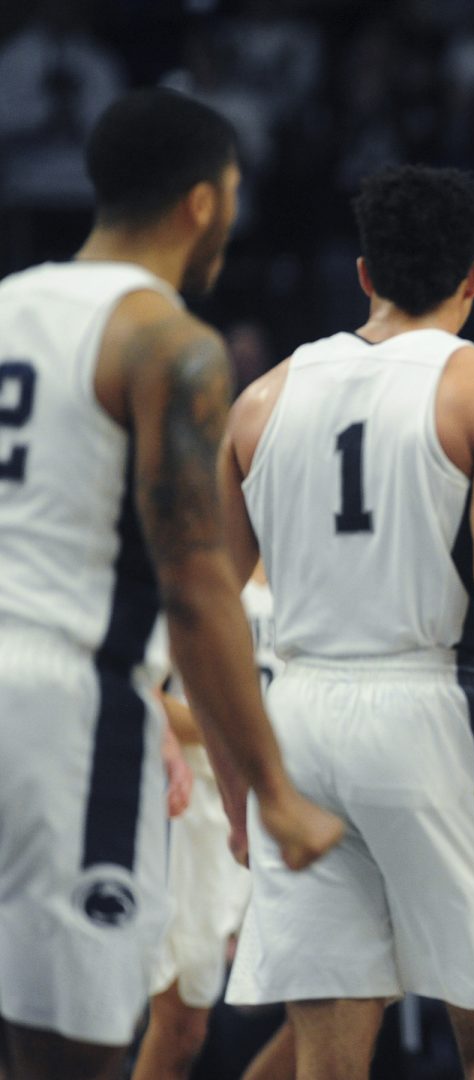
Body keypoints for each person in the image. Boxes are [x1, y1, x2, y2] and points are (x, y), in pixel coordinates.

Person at [218, 164, 474, 1080]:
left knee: (327, 1056)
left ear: (363, 274)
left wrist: (248, 793)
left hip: (297, 719)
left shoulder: (259, 401)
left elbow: (215, 624)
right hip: (432, 717)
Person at [0, 87, 341, 1080]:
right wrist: (272, 790)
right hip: (64, 700)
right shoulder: (168, 342)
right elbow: (196, 591)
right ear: (202, 202)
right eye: (233, 192)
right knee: (81, 1052)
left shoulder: (8, 302)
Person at [132, 564, 281, 1080]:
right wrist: (258, 733)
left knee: (353, 993)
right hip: (202, 805)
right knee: (180, 1028)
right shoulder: (197, 548)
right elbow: (140, 690)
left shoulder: (315, 550)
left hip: (298, 798)